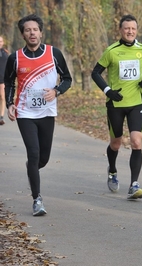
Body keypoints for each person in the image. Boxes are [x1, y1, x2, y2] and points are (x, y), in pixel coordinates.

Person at [4, 14, 72, 216]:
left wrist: (56, 91)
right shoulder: (14, 58)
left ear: (41, 32)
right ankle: (37, 200)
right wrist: (9, 104)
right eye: (27, 30)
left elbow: (67, 79)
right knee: (33, 153)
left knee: (43, 159)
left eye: (35, 29)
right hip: (25, 112)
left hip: (47, 112)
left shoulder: (54, 53)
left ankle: (32, 166)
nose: (32, 33)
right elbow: (9, 82)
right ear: (23, 34)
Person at [91, 14, 142, 200]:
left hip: (136, 103)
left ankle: (134, 185)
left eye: (133, 28)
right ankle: (113, 171)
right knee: (116, 143)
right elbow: (95, 73)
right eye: (126, 28)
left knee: (136, 141)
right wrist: (108, 91)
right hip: (115, 104)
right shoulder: (111, 51)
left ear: (137, 30)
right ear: (120, 30)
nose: (130, 31)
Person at [0, 35, 9, 125]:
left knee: (2, 97)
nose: (0, 43)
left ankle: (1, 117)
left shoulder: (5, 53)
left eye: (1, 41)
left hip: (2, 79)